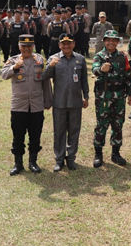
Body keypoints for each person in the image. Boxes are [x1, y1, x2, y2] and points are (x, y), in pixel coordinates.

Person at [2, 35, 52, 175]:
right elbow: (4, 74)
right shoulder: (13, 60)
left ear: (33, 46)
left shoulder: (39, 60)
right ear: (19, 46)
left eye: (29, 46)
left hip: (36, 105)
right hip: (19, 105)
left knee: (35, 135)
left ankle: (33, 162)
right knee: (18, 135)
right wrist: (14, 67)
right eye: (23, 46)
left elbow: (45, 81)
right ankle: (18, 164)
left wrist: (48, 100)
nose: (26, 48)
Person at [43, 33, 89, 172]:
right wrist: (50, 66)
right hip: (59, 102)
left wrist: (86, 96)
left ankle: (71, 158)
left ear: (73, 44)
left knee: (74, 130)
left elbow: (84, 80)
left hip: (75, 102)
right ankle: (59, 159)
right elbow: (44, 77)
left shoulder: (80, 59)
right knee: (59, 131)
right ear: (59, 45)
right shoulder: (53, 59)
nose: (66, 46)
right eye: (64, 43)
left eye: (69, 43)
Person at [91, 30, 131, 168]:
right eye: (108, 40)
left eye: (114, 40)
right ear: (104, 41)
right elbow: (94, 70)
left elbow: (128, 75)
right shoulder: (99, 55)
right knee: (101, 125)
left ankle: (116, 153)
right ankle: (98, 154)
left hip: (119, 96)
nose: (111, 42)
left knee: (118, 124)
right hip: (104, 96)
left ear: (117, 42)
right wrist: (101, 69)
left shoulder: (122, 56)